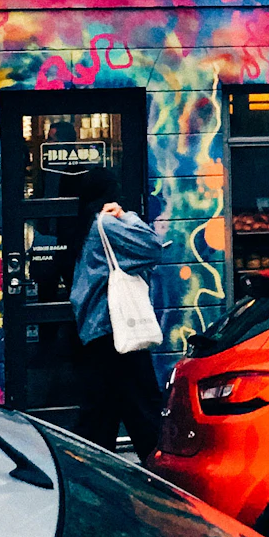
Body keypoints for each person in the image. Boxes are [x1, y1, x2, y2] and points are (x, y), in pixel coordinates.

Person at [68, 192, 166, 459]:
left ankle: (93, 474)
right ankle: (162, 474)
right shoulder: (107, 223)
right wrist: (127, 215)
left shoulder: (83, 226)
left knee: (100, 413)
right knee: (144, 408)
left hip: (94, 332)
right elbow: (152, 246)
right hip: (117, 328)